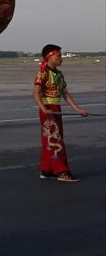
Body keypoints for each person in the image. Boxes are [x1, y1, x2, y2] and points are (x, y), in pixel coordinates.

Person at [34, 43, 90, 182]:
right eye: (59, 55)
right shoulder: (43, 73)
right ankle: (61, 172)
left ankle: (47, 170)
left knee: (51, 140)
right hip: (48, 110)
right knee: (55, 140)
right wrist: (44, 109)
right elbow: (36, 93)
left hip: (55, 109)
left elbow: (65, 94)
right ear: (50, 57)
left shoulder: (59, 74)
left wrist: (78, 110)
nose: (61, 58)